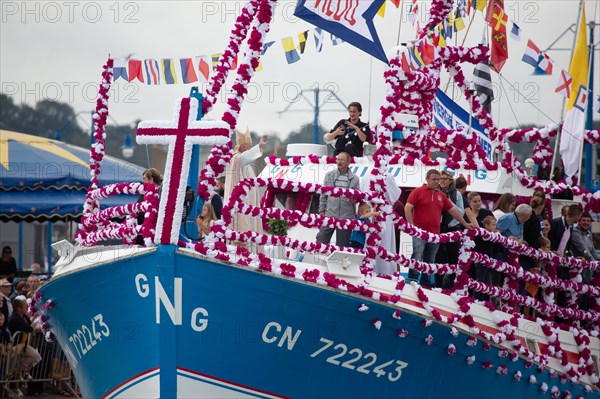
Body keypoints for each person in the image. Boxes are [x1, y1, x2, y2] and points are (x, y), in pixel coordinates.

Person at [405, 169, 473, 287]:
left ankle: (425, 282)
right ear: (427, 179)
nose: (437, 182)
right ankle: (412, 280)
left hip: (435, 234)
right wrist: (412, 226)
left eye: (438, 179)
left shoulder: (441, 195)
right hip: (419, 232)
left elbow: (453, 211)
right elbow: (408, 207)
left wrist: (465, 223)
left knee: (430, 259)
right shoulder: (418, 191)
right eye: (434, 179)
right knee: (417, 255)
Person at [223, 129, 268, 240]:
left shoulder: (244, 162)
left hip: (249, 202)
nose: (250, 149)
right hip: (242, 202)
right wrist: (260, 145)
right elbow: (244, 157)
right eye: (249, 146)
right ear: (242, 147)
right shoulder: (237, 158)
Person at [359, 172, 401, 274]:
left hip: (368, 213)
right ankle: (384, 272)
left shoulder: (366, 176)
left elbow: (362, 195)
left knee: (369, 242)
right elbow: (395, 195)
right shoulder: (389, 176)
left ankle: (368, 269)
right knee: (384, 243)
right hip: (383, 215)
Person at [316, 152, 360, 247]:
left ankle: (339, 261)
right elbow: (324, 195)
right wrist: (321, 210)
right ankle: (318, 259)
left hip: (346, 217)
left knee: (342, 246)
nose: (339, 162)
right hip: (329, 214)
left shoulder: (355, 179)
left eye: (342, 160)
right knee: (321, 240)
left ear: (348, 162)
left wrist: (353, 200)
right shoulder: (329, 175)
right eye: (338, 159)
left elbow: (358, 197)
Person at [473, 215, 498, 301]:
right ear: (486, 225)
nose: (495, 227)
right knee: (480, 281)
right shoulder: (482, 235)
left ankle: (484, 301)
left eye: (495, 225)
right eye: (493, 225)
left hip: (488, 262)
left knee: (487, 283)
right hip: (481, 261)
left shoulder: (492, 236)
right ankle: (476, 300)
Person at [136, 168, 163, 245]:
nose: (143, 181)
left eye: (144, 179)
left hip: (153, 229)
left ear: (151, 179)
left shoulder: (161, 193)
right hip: (142, 227)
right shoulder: (145, 192)